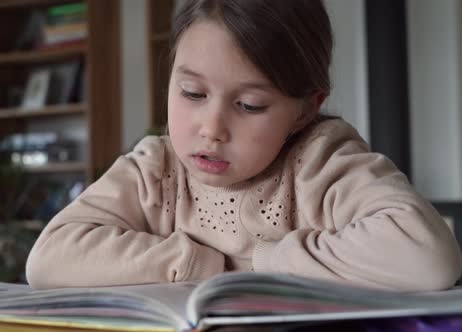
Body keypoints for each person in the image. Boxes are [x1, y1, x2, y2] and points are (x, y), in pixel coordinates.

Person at [26, 0, 462, 291]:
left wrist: (265, 260)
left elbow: (427, 258)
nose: (211, 128)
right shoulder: (156, 168)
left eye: (250, 105)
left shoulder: (322, 159)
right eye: (192, 94)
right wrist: (198, 263)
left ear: (306, 109)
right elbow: (48, 258)